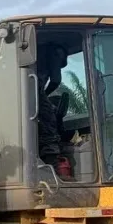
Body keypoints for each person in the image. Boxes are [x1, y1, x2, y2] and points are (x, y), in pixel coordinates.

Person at [36, 43, 70, 176]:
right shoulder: (55, 52)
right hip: (34, 89)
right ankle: (52, 160)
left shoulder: (40, 53)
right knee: (49, 121)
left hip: (27, 90)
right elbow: (56, 80)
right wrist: (45, 93)